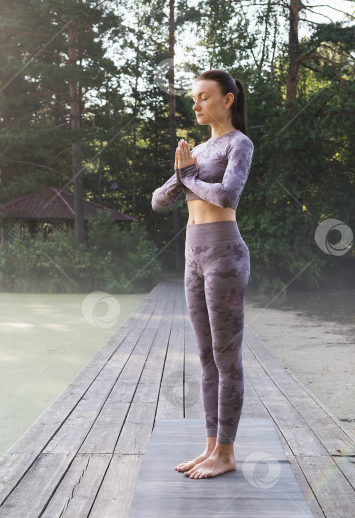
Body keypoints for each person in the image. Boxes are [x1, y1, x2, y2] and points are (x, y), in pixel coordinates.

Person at [151, 69, 253, 479]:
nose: (195, 104)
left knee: (227, 359)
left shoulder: (238, 143)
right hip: (193, 255)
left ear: (227, 100)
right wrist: (181, 175)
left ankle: (226, 452)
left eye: (203, 97)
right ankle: (211, 447)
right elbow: (158, 202)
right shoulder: (198, 153)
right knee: (206, 358)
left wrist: (191, 178)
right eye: (194, 98)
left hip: (224, 254)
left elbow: (228, 194)